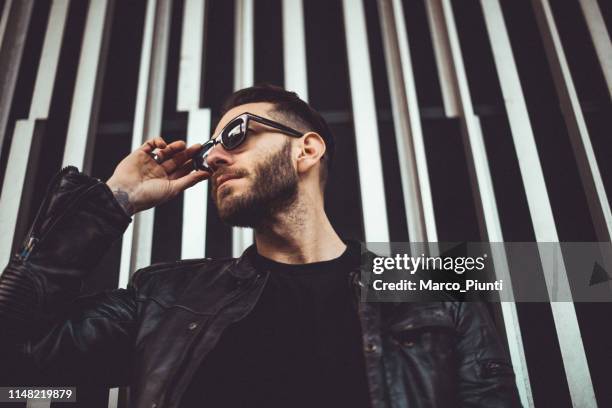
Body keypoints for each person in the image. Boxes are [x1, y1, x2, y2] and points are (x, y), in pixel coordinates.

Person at [0, 84, 521, 407]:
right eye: (210, 149)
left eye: (235, 135)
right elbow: (12, 353)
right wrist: (115, 200)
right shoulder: (165, 297)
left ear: (307, 149)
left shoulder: (433, 295)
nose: (213, 160)